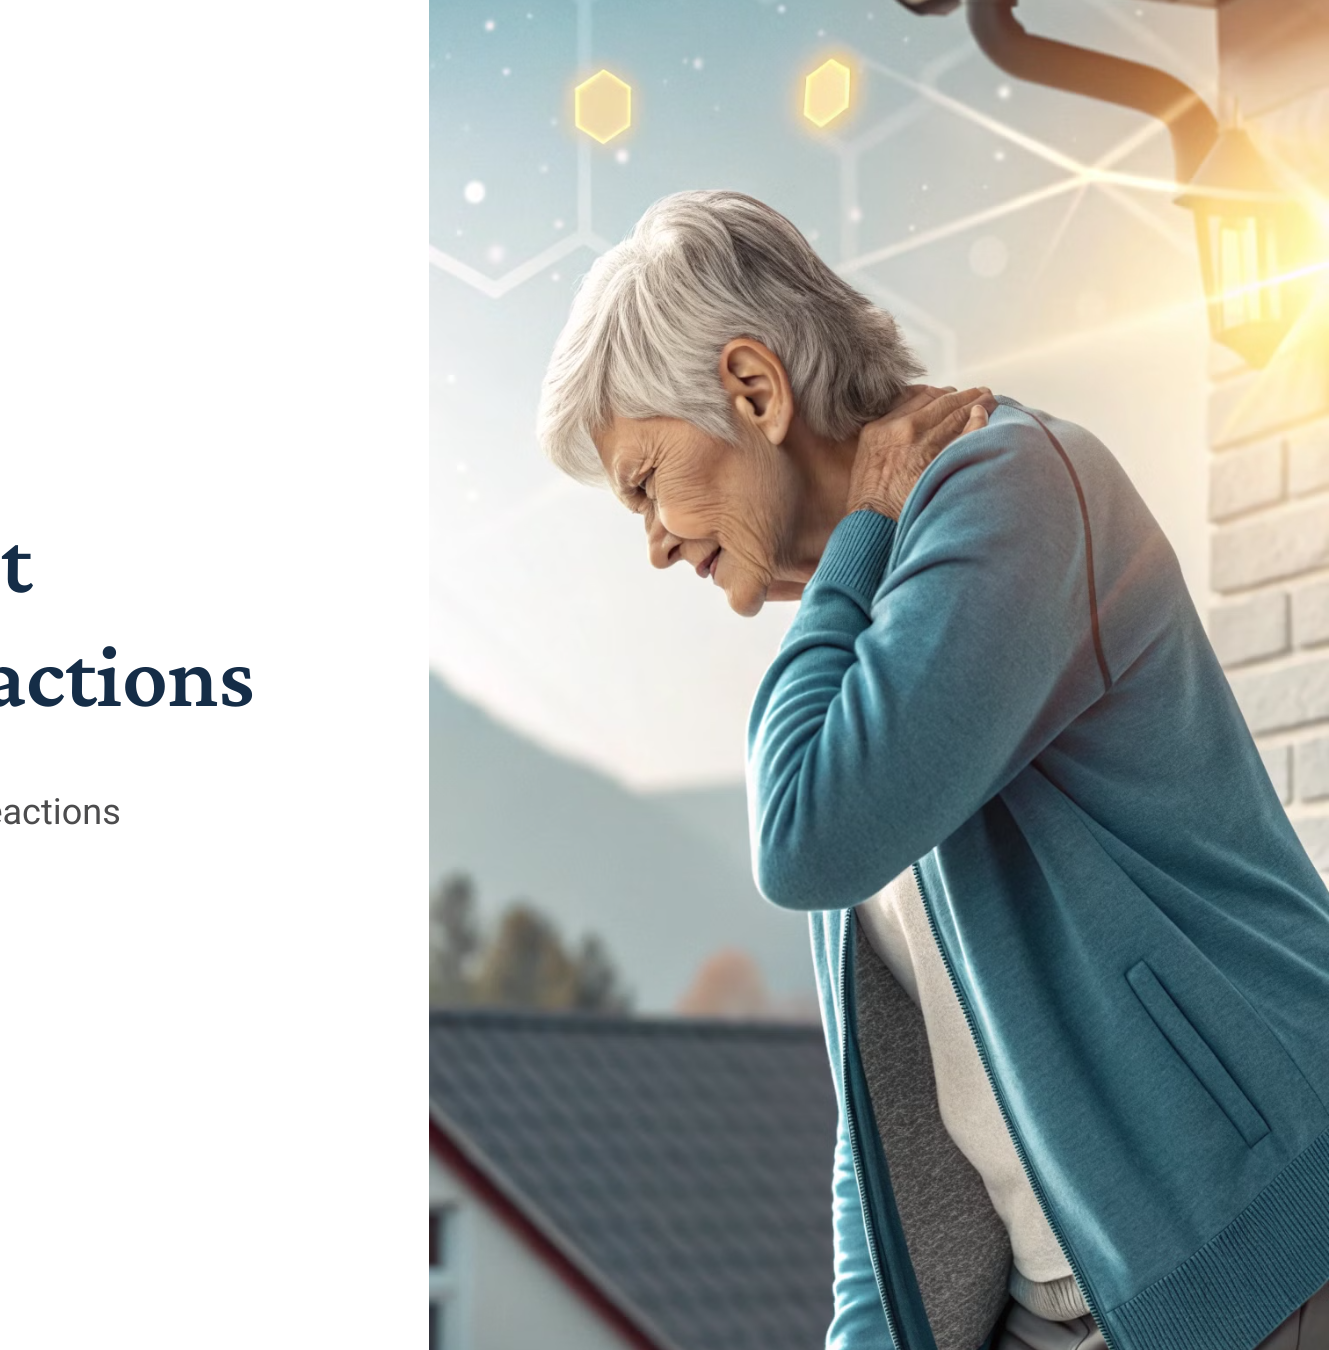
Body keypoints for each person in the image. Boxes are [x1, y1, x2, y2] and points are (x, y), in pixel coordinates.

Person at [535, 189, 1329, 1350]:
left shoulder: (1016, 489)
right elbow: (895, 1101)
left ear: (754, 391)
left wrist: (857, 539)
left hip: (1251, 1251)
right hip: (1067, 1302)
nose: (652, 542)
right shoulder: (869, 638)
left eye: (647, 480)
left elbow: (807, 834)